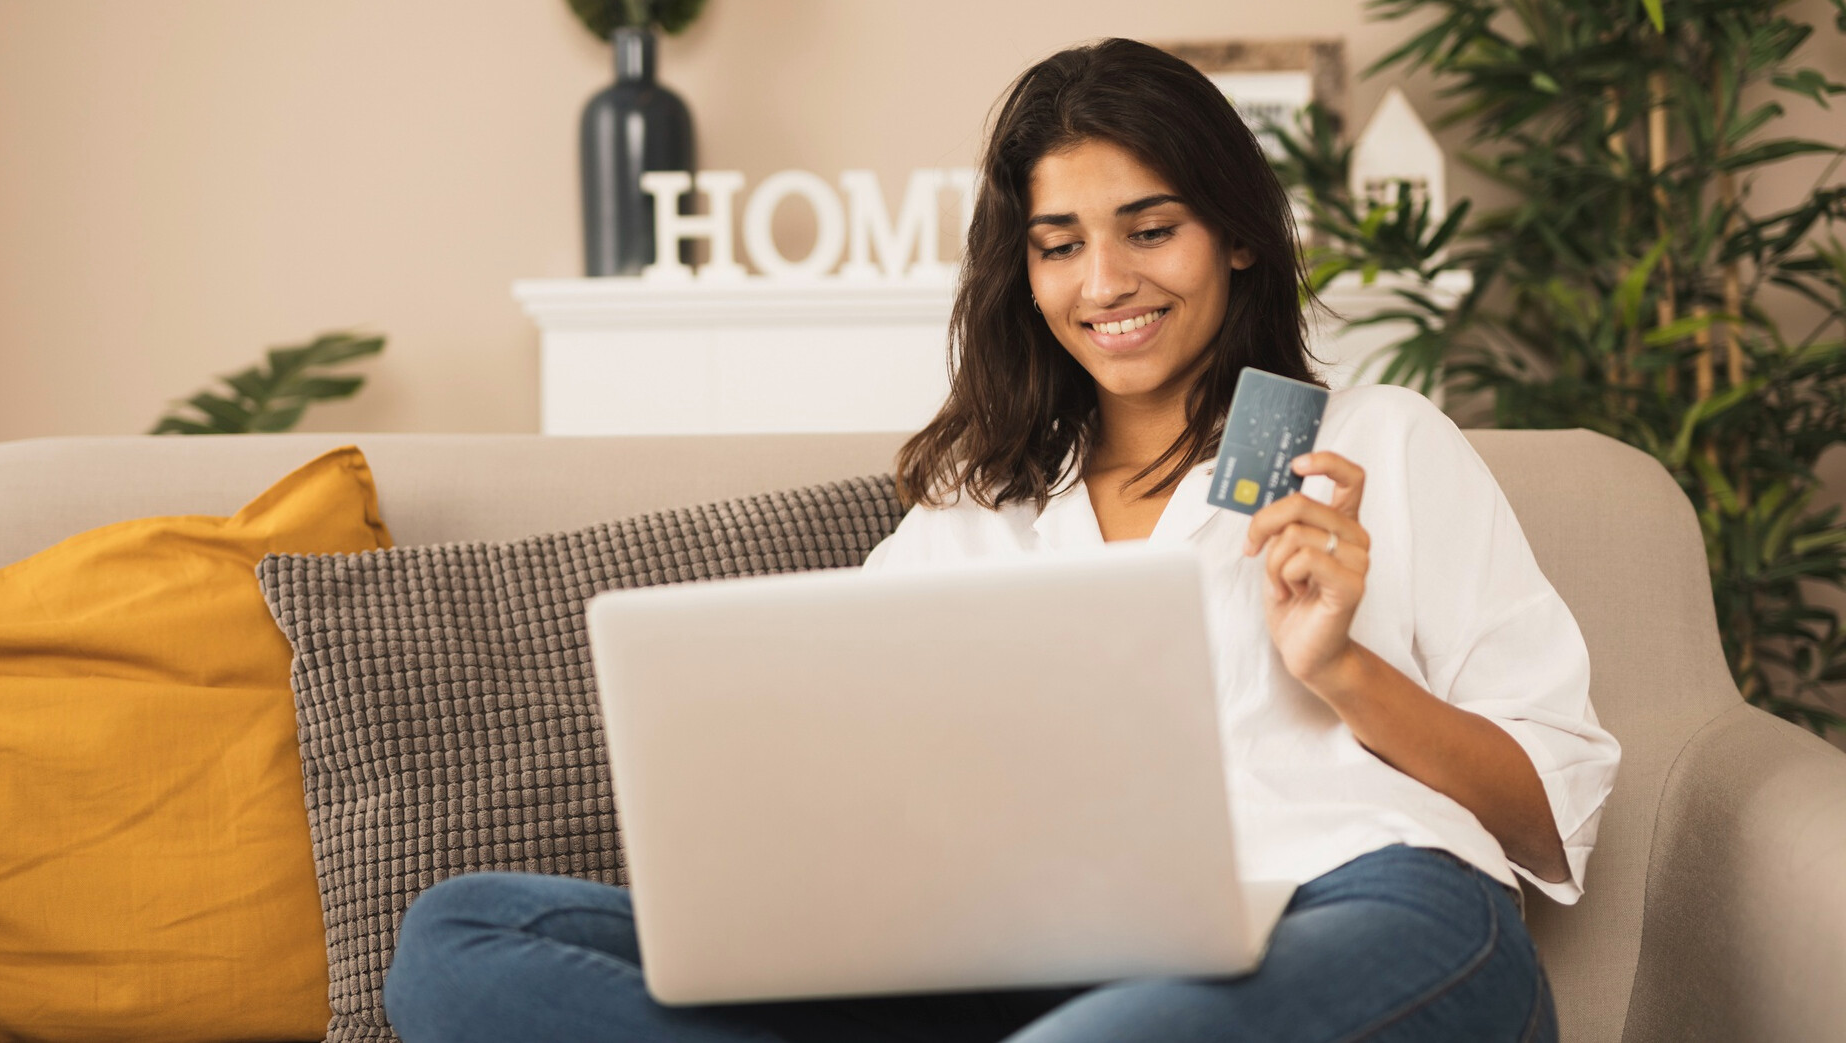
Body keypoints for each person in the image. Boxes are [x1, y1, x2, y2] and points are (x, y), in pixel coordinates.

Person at [381, 38, 1620, 1043]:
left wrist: (1342, 669)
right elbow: (837, 751)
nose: (1104, 282)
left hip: (1364, 908)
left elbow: (1543, 813)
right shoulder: (980, 502)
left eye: (1150, 227)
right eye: (1058, 243)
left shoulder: (1381, 440)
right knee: (459, 936)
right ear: (1020, 267)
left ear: (1235, 234)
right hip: (1033, 959)